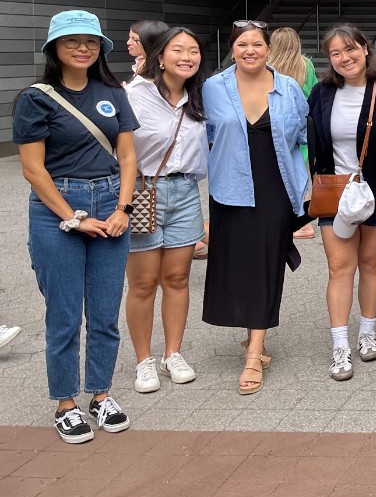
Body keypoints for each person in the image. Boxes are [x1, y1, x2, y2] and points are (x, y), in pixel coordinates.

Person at [14, 10, 138, 443]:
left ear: (100, 48)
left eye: (90, 41)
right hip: (56, 209)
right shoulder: (36, 98)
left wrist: (124, 207)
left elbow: (127, 157)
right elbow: (33, 169)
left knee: (105, 312)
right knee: (63, 314)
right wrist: (73, 217)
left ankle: (101, 395)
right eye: (71, 41)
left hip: (109, 200)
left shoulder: (113, 93)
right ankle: (65, 403)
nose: (82, 48)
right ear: (54, 48)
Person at [202, 21, 309, 395]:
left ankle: (254, 351)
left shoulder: (288, 87)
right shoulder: (213, 88)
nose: (251, 50)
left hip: (275, 187)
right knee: (238, 263)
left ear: (268, 49)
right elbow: (206, 136)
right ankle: (252, 336)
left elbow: (304, 135)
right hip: (230, 188)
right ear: (232, 49)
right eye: (243, 44)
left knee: (265, 264)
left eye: (258, 44)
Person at [308, 24, 376, 381]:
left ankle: (367, 332)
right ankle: (340, 346)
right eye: (335, 53)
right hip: (336, 191)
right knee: (340, 267)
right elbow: (313, 141)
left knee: (371, 262)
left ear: (366, 48)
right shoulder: (321, 92)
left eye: (350, 49)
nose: (344, 58)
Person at [124, 27, 209, 394]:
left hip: (186, 191)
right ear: (159, 56)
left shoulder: (200, 97)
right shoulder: (133, 95)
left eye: (193, 50)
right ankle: (143, 359)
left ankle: (172, 352)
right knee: (143, 283)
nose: (187, 56)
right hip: (143, 192)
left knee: (177, 279)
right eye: (178, 50)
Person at [268, 27, 319, 240]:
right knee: (300, 173)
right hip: (301, 125)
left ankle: (277, 217)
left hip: (274, 126)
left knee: (275, 174)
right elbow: (314, 90)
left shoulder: (268, 67)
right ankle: (303, 223)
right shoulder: (305, 64)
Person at [126, 19, 169, 84]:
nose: (128, 42)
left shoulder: (158, 66)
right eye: (129, 38)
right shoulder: (139, 61)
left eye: (135, 40)